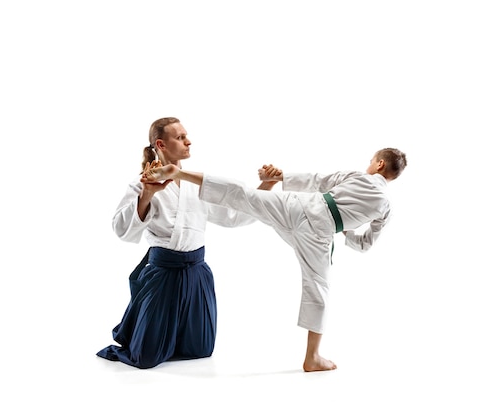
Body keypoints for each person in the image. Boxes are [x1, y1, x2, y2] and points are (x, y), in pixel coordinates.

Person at [143, 148, 408, 372]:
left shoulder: (357, 177)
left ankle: (180, 174)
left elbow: (319, 180)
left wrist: (280, 177)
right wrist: (346, 226)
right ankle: (312, 357)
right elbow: (364, 245)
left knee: (243, 195)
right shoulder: (385, 207)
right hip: (320, 235)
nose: (369, 164)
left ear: (380, 164)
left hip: (299, 207)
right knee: (318, 289)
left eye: (372, 160)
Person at [96, 117, 276, 369]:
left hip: (197, 273)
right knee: (146, 356)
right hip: (163, 274)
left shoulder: (198, 184)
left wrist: (265, 186)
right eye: (180, 137)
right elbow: (121, 230)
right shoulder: (141, 184)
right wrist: (147, 194)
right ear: (161, 143)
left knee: (201, 350)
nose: (188, 141)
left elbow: (234, 215)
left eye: (186, 136)